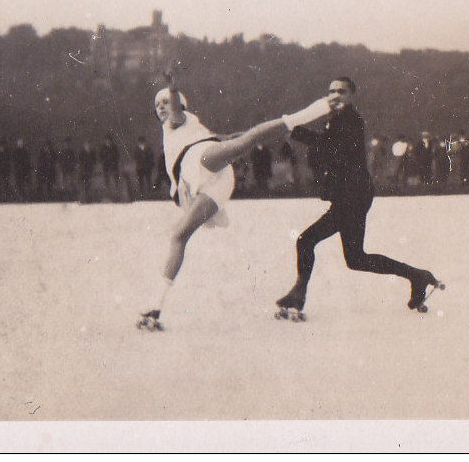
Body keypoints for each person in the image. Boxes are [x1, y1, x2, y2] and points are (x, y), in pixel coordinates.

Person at [136, 84, 334, 331]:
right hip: (211, 184)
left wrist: (172, 87)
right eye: (157, 105)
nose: (162, 107)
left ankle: (314, 110)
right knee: (179, 235)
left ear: (181, 105)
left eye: (165, 102)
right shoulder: (191, 128)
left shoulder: (177, 121)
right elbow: (228, 137)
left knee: (245, 142)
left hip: (206, 162)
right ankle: (155, 306)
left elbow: (177, 110)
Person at [274, 77, 440, 318]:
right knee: (356, 259)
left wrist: (295, 131)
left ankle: (298, 294)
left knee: (306, 241)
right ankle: (418, 276)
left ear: (351, 96)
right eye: (331, 91)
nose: (335, 95)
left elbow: (329, 147)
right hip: (351, 195)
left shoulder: (351, 120)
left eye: (341, 91)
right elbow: (326, 152)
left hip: (353, 196)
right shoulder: (336, 121)